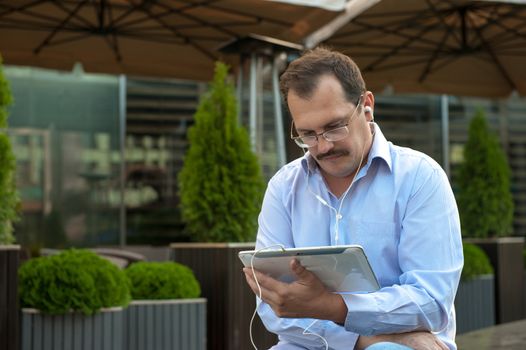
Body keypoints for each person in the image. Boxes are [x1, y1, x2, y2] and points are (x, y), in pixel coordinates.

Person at [243, 47, 463, 350]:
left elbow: (431, 302)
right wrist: (365, 337)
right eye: (307, 134)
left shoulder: (419, 178)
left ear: (367, 106)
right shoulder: (283, 187)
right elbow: (274, 306)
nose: (321, 147)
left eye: (334, 128)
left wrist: (332, 307)